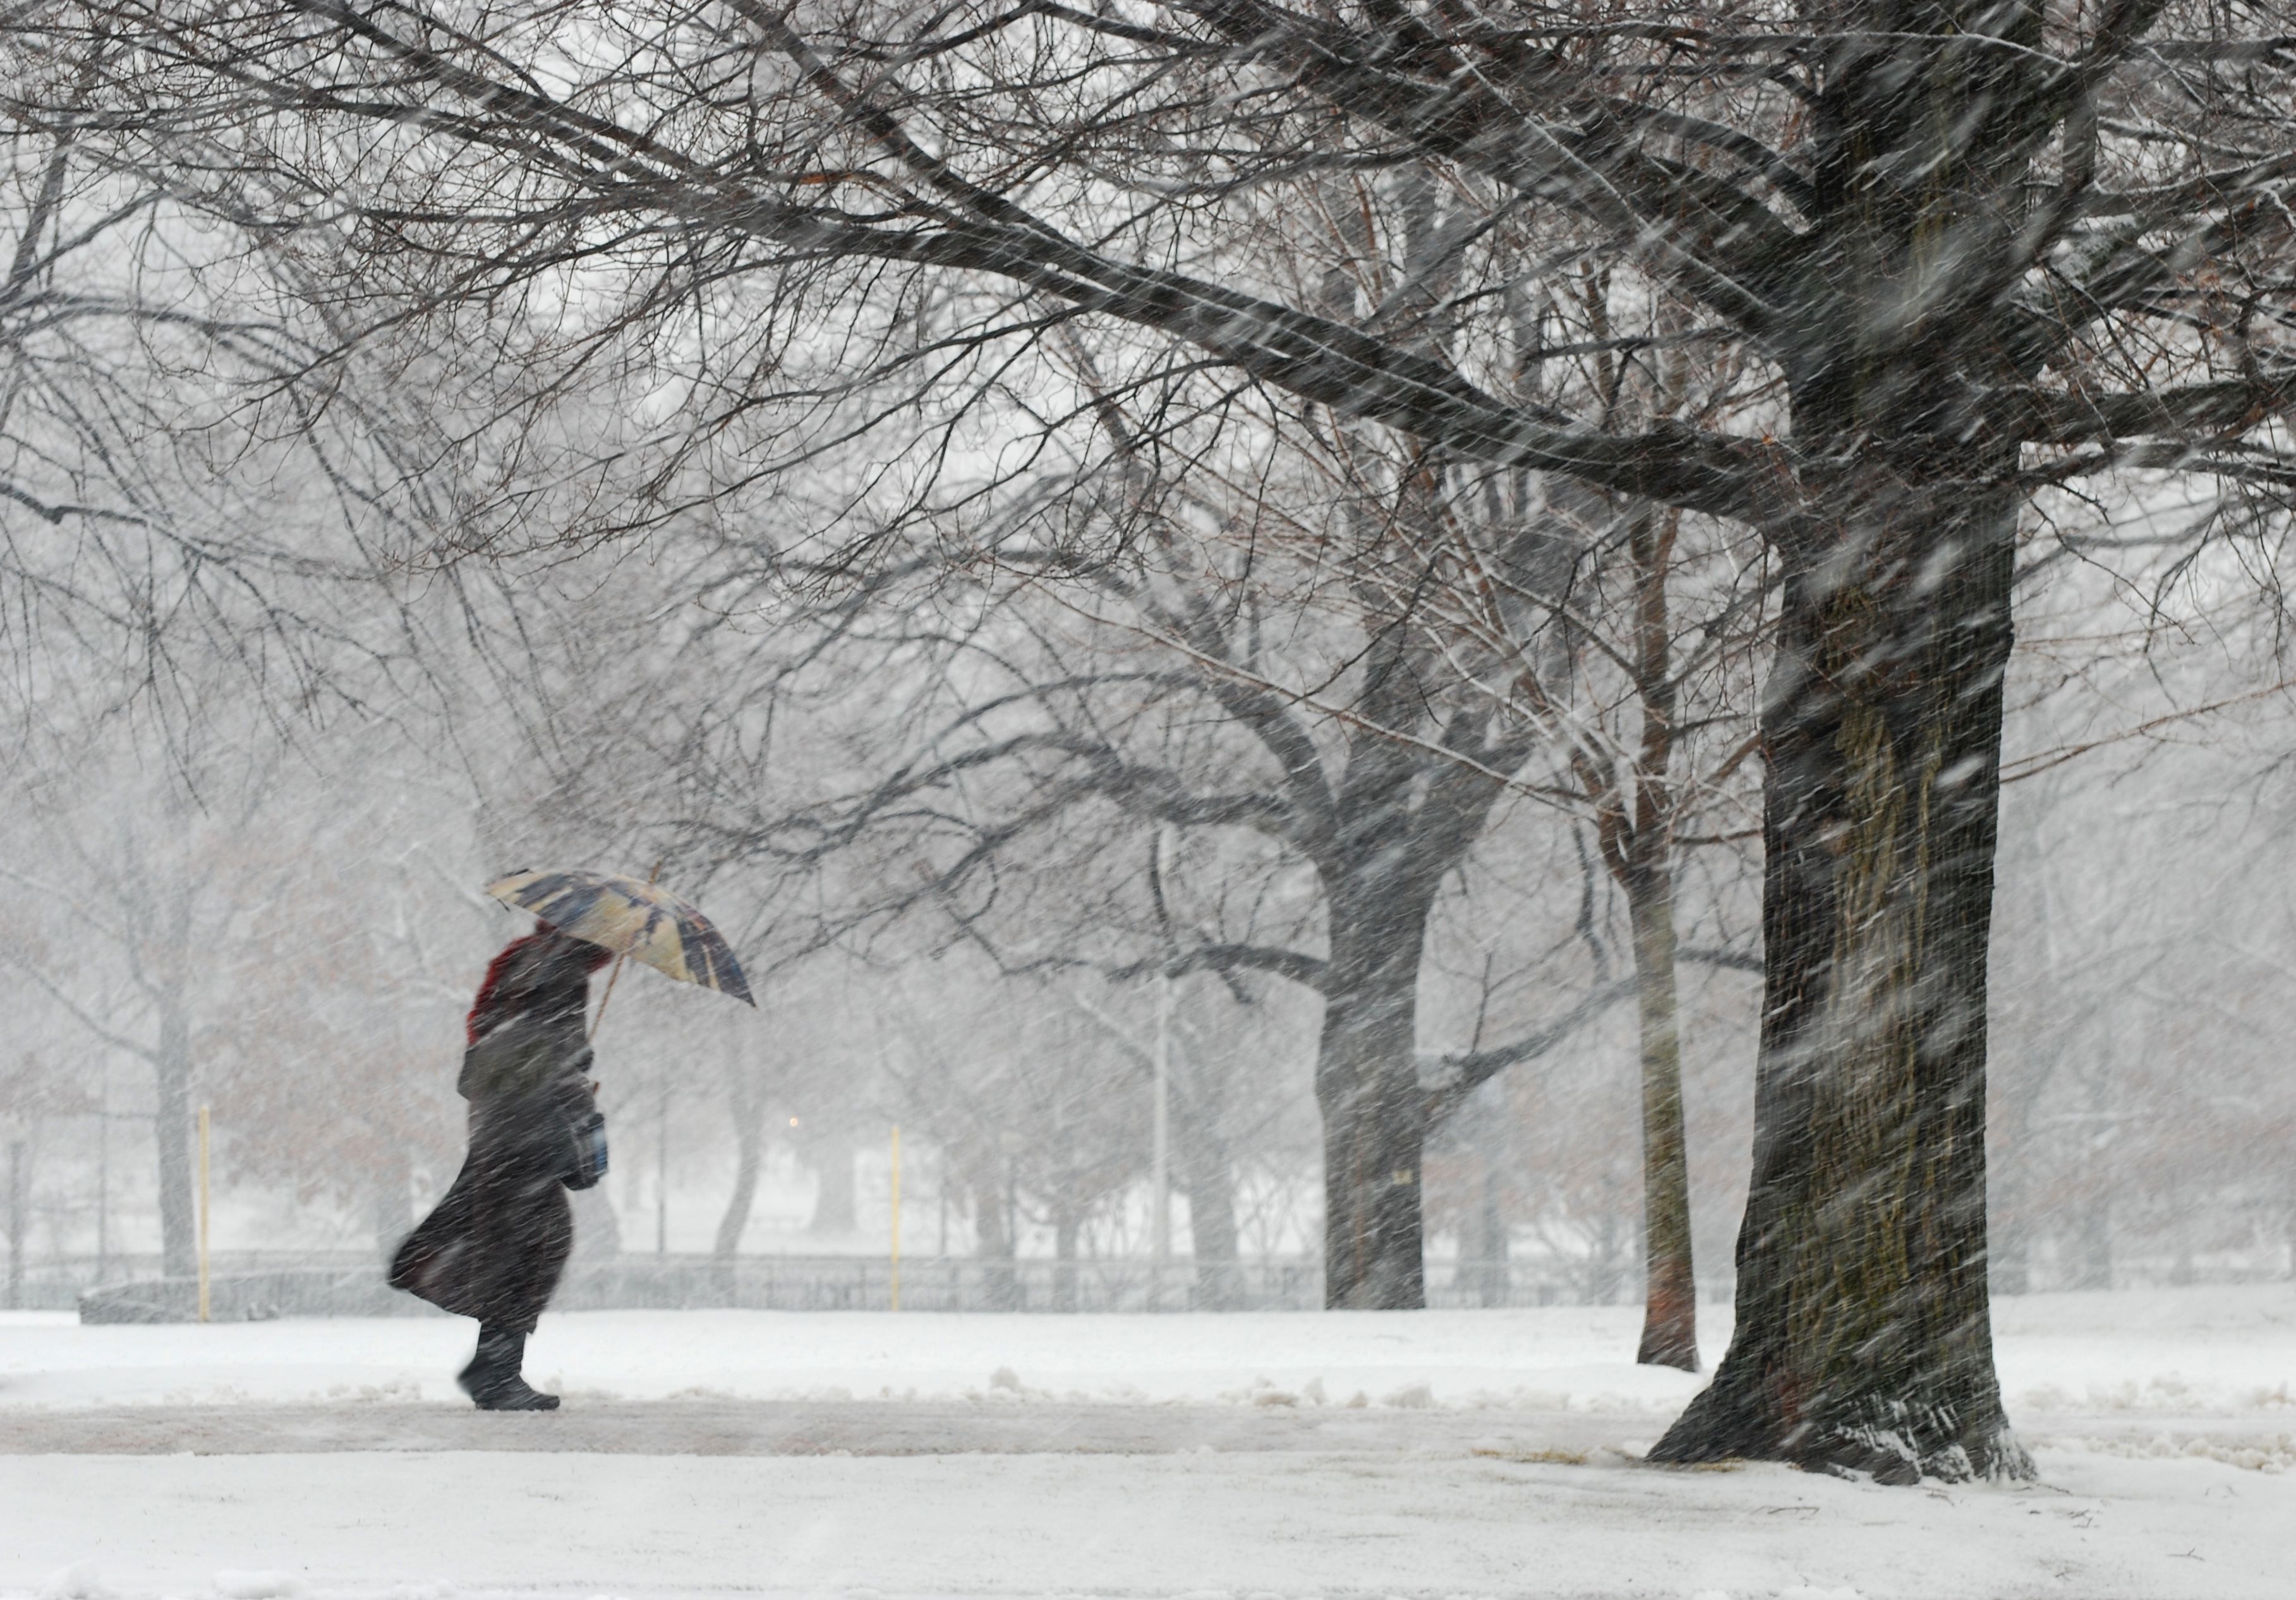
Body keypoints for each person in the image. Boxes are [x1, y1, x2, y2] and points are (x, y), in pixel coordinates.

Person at [390, 925, 613, 1410]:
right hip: (526, 1131)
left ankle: (492, 1368)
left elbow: (499, 1043)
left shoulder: (526, 960)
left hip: (500, 1126)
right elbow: (545, 1046)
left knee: (513, 1248)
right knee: (530, 1251)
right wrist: (573, 1072)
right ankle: (494, 1373)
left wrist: (564, 1067)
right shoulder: (562, 968)